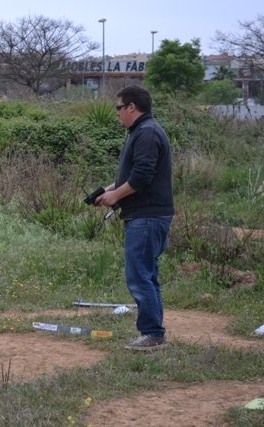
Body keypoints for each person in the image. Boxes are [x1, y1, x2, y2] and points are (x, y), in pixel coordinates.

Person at [95, 84, 175, 351]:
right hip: (146, 215)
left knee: (139, 275)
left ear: (131, 107)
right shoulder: (142, 132)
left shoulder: (147, 132)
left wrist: (117, 195)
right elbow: (137, 175)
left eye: (119, 108)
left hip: (147, 216)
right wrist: (111, 189)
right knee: (146, 275)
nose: (117, 113)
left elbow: (142, 176)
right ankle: (154, 333)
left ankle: (152, 334)